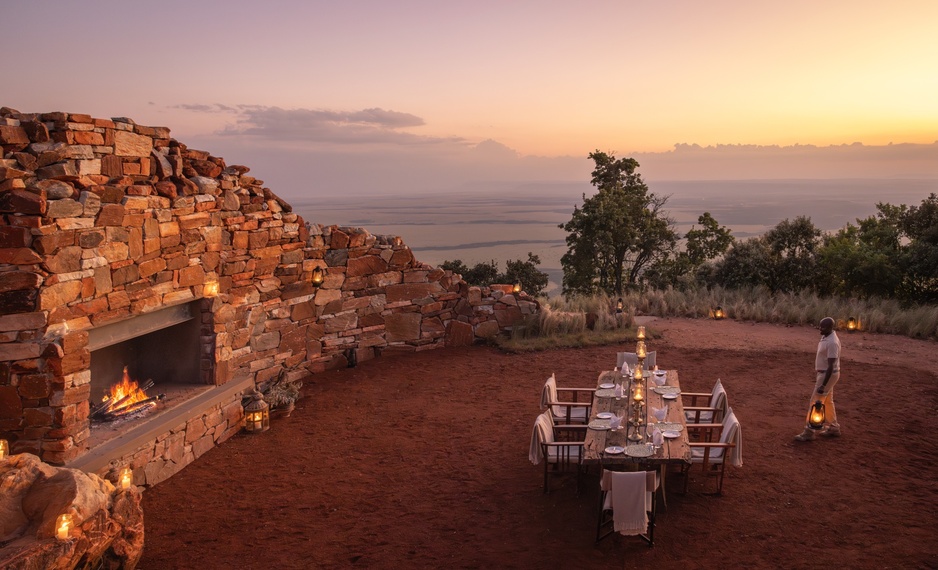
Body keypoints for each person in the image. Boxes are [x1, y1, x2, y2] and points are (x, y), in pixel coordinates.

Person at [794, 317, 842, 441]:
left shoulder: (832, 342)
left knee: (815, 401)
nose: (820, 329)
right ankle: (834, 427)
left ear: (830, 328)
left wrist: (823, 384)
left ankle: (809, 431)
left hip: (827, 375)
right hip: (825, 373)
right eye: (820, 326)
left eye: (823, 327)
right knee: (828, 401)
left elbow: (831, 365)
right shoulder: (826, 336)